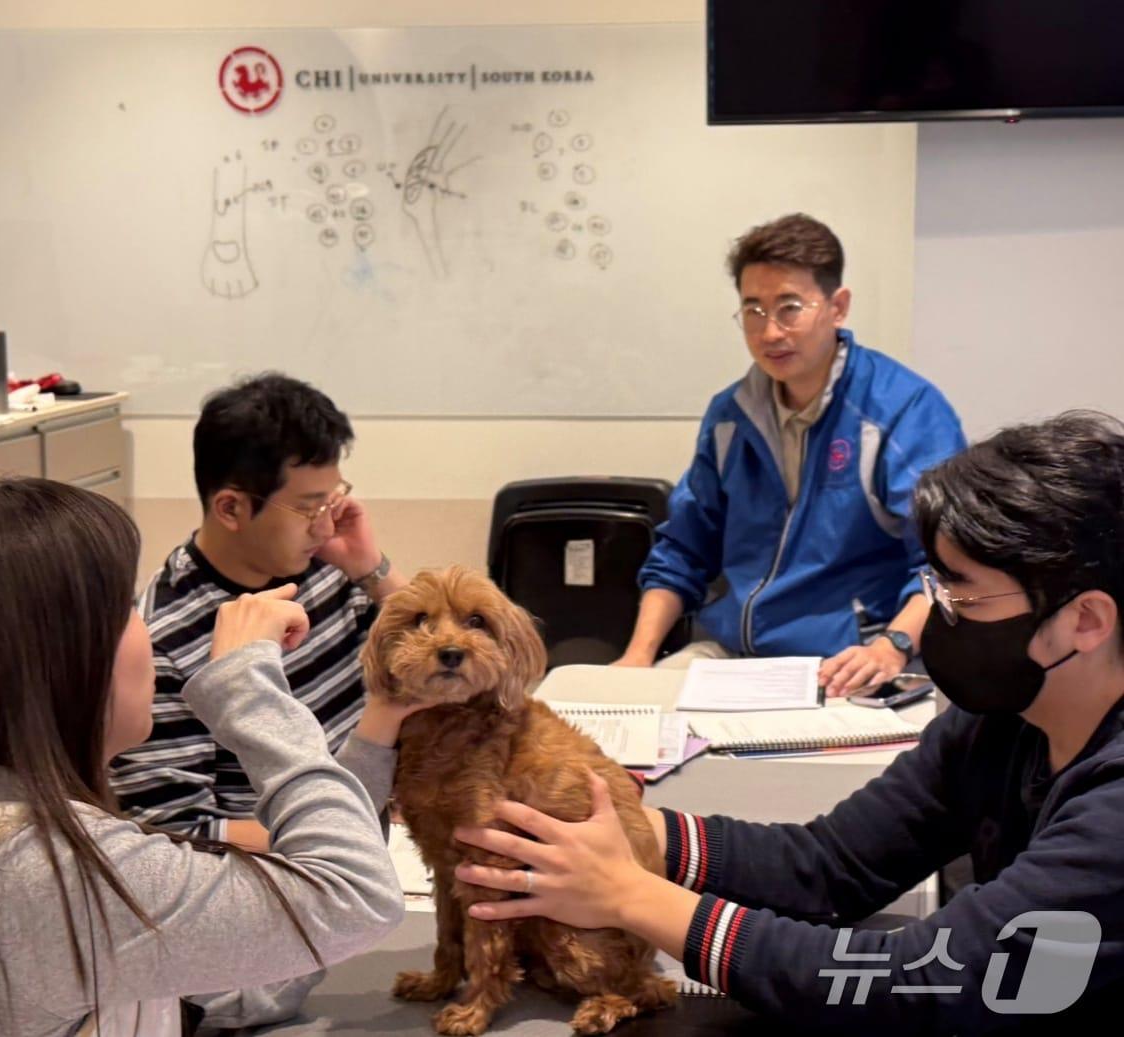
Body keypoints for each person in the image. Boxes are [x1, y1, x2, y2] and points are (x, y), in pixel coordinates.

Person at [458, 412, 1124, 1033]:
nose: (934, 610)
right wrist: (632, 828)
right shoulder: (1004, 723)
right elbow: (831, 864)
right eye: (933, 583)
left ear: (1086, 620)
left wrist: (630, 897)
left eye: (962, 592)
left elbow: (918, 981)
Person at [0, 479, 409, 1037]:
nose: (143, 630)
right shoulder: (36, 869)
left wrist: (378, 724)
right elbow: (355, 897)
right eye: (123, 607)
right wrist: (248, 688)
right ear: (53, 661)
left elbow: (227, 982)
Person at [615, 214, 965, 695]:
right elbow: (683, 548)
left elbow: (947, 564)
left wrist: (892, 645)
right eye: (753, 310)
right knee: (627, 726)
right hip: (735, 655)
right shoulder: (729, 416)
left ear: (837, 307)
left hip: (855, 658)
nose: (770, 332)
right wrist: (638, 658)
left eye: (790, 308)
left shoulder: (903, 410)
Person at [110, 372, 407, 852]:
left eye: (332, 500)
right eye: (310, 508)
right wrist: (341, 836)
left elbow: (435, 660)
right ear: (231, 508)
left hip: (377, 826)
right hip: (296, 867)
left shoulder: (325, 568)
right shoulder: (164, 639)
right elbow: (175, 833)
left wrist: (370, 569)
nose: (326, 524)